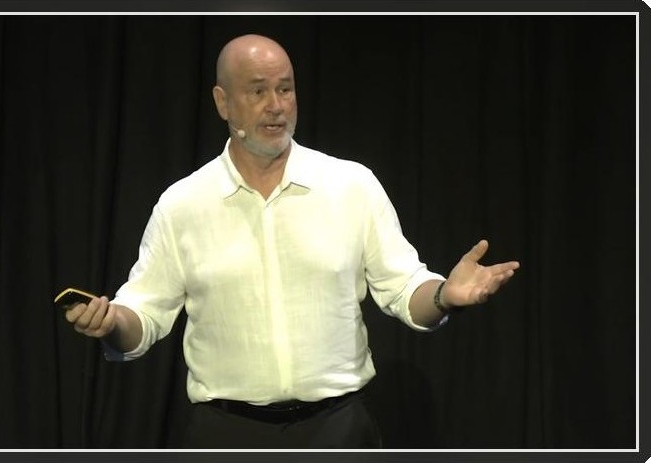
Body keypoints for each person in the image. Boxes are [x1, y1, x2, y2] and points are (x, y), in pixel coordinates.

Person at [63, 34, 520, 449]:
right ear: (222, 102)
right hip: (227, 436)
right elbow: (143, 316)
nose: (276, 106)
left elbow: (404, 289)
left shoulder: (351, 185)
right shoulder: (182, 205)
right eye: (258, 91)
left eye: (285, 89)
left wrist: (444, 295)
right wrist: (112, 321)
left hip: (338, 432)